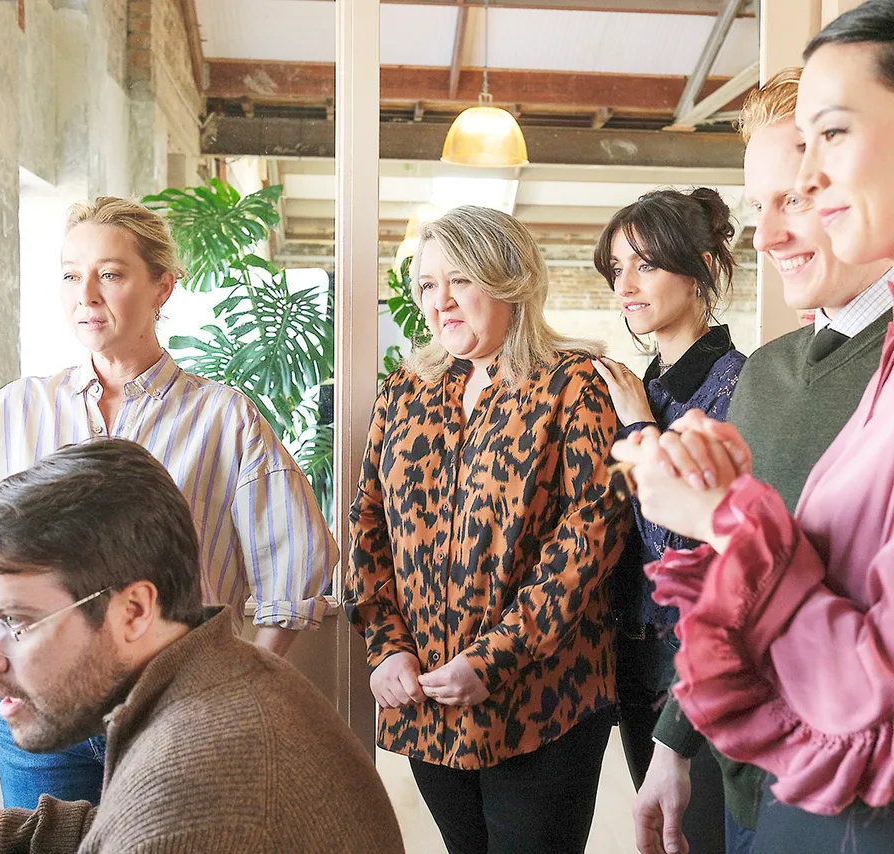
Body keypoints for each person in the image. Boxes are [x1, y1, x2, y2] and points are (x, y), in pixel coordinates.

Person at [0, 197, 338, 809]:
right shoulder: (15, 411)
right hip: (44, 727)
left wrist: (222, 694)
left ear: (163, 288)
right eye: (71, 274)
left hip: (174, 714)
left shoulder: (223, 419)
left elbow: (296, 570)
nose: (86, 295)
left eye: (112, 274)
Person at [613, 3, 894, 849]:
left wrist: (708, 511)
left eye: (800, 196)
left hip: (851, 791)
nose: (770, 233)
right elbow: (730, 582)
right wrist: (674, 741)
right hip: (754, 783)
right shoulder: (771, 373)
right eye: (759, 204)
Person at [0, 439, 404, 854]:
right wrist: (27, 833)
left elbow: (174, 823)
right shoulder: (228, 678)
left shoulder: (192, 792)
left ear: (132, 611)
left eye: (12, 622)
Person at [344, 205, 631, 854]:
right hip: (430, 699)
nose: (439, 300)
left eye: (459, 280)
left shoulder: (572, 383)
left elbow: (591, 534)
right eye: (426, 284)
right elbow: (369, 526)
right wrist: (387, 645)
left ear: (510, 280)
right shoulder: (405, 393)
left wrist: (498, 655)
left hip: (542, 702)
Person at [591, 187, 745, 854]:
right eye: (616, 267)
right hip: (632, 663)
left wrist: (638, 430)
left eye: (645, 265)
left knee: (699, 838)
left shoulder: (737, 385)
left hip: (699, 672)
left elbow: (685, 550)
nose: (624, 285)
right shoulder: (643, 384)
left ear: (701, 267)